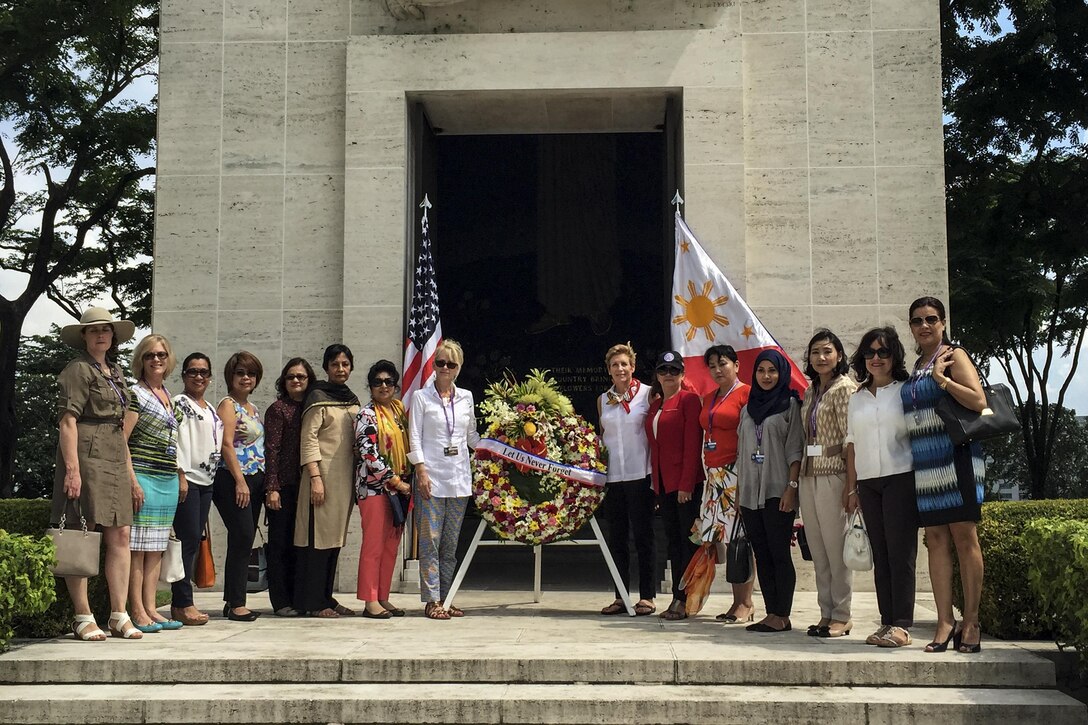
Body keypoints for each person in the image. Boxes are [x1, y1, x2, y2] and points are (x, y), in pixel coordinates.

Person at [902, 296, 988, 654]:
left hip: (956, 457)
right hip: (924, 463)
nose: (924, 325)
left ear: (943, 322)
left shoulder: (954, 355)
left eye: (931, 319)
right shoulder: (916, 364)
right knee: (935, 539)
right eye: (918, 320)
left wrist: (943, 381)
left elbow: (978, 400)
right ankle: (944, 621)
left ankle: (970, 621)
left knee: (964, 537)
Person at [52, 307, 143, 640]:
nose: (101, 335)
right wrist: (72, 470)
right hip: (86, 453)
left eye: (106, 330)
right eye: (93, 331)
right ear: (84, 337)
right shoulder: (77, 370)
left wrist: (131, 475)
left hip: (116, 454)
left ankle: (119, 613)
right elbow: (67, 421)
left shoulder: (116, 372)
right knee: (81, 530)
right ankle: (83, 615)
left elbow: (122, 427)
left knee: (120, 534)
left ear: (113, 336)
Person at [844, 327, 917, 648]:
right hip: (868, 482)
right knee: (882, 555)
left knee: (901, 554)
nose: (876, 358)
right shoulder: (856, 397)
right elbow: (851, 444)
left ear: (894, 357)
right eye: (870, 353)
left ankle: (902, 625)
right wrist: (851, 489)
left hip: (901, 476)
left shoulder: (906, 391)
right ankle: (886, 622)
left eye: (883, 352)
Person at [408, 339, 480, 620]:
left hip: (459, 479)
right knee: (430, 542)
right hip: (431, 478)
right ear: (434, 365)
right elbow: (414, 435)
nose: (445, 368)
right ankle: (432, 600)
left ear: (459, 367)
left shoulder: (466, 397)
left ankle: (447, 598)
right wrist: (420, 470)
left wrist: (500, 446)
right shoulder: (421, 397)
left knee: (450, 545)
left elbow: (471, 436)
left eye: (451, 363)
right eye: (441, 363)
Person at [736, 349, 803, 633]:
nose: (766, 376)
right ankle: (771, 612)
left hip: (778, 490)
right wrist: (739, 492)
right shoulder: (747, 408)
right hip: (751, 493)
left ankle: (782, 614)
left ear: (781, 373)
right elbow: (741, 452)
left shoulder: (789, 405)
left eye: (772, 371)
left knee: (778, 553)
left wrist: (791, 488)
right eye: (761, 371)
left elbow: (795, 450)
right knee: (761, 554)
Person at [798, 330, 857, 638]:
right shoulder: (811, 391)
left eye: (827, 351)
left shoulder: (845, 388)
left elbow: (851, 439)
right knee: (818, 551)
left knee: (837, 551)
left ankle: (842, 614)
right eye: (815, 352)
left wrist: (851, 485)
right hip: (810, 475)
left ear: (838, 355)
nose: (821, 358)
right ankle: (825, 612)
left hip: (834, 473)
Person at [295, 344, 360, 618]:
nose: (341, 369)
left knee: (334, 541)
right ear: (326, 368)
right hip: (321, 479)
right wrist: (315, 478)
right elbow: (308, 439)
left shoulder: (352, 399)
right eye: (335, 364)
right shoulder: (317, 398)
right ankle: (313, 602)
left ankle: (326, 597)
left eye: (345, 364)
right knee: (316, 542)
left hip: (344, 481)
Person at [124, 334, 183, 633]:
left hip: (167, 478)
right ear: (141, 361)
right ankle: (136, 609)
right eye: (150, 355)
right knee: (138, 548)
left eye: (161, 354)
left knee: (157, 548)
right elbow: (122, 440)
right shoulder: (136, 394)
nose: (156, 360)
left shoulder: (168, 395)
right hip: (144, 476)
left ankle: (150, 608)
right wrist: (132, 480)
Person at [696, 344, 755, 624]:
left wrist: (744, 480)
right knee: (727, 541)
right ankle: (735, 602)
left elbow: (751, 438)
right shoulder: (708, 397)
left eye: (723, 364)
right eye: (713, 366)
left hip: (737, 472)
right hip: (714, 475)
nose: (718, 370)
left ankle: (746, 603)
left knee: (742, 540)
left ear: (736, 365)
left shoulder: (746, 394)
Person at [596, 343, 656, 616]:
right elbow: (602, 439)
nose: (620, 369)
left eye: (624, 364)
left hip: (639, 474)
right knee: (616, 539)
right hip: (614, 477)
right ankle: (620, 596)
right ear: (608, 371)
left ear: (633, 367)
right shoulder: (603, 400)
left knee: (643, 537)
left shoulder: (647, 394)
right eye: (614, 365)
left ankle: (647, 596)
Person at [644, 350, 703, 621]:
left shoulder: (689, 401)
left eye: (674, 371)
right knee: (673, 542)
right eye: (664, 371)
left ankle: (683, 598)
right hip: (664, 485)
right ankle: (678, 597)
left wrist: (686, 484)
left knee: (685, 542)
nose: (669, 376)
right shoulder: (655, 406)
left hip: (684, 486)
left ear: (682, 374)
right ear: (657, 375)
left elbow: (692, 446)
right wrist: (658, 487)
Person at [354, 360, 412, 619]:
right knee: (374, 545)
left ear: (396, 386)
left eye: (389, 381)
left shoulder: (399, 411)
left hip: (399, 489)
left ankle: (383, 596)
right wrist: (394, 480)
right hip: (375, 488)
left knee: (391, 546)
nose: (384, 386)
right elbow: (369, 453)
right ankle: (369, 600)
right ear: (370, 386)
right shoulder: (366, 414)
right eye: (378, 382)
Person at [214, 351, 266, 622]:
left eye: (251, 373)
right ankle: (237, 604)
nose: (246, 378)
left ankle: (233, 600)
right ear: (230, 377)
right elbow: (226, 445)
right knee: (243, 535)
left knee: (243, 540)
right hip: (233, 479)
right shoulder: (227, 405)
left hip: (256, 478)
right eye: (240, 373)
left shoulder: (253, 409)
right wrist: (240, 481)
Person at [171, 352, 222, 626]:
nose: (198, 376)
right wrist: (179, 473)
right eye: (193, 371)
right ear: (184, 376)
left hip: (207, 481)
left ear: (210, 377)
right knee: (187, 541)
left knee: (194, 540)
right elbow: (174, 439)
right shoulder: (180, 403)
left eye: (203, 372)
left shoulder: (210, 409)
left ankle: (184, 599)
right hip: (188, 478)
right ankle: (182, 602)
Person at [263, 358, 316, 617]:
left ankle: (299, 598)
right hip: (283, 486)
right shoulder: (278, 409)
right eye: (291, 377)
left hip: (307, 485)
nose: (296, 380)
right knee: (280, 544)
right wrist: (271, 487)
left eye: (301, 377)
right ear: (283, 381)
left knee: (301, 546)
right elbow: (271, 450)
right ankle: (281, 600)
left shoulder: (312, 408)